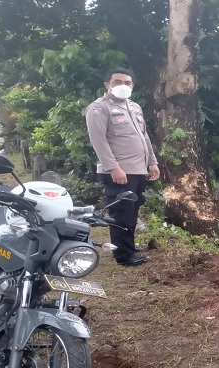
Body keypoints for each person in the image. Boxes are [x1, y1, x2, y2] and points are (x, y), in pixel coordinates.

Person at [85, 67, 160, 266]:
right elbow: (98, 140)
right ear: (107, 85)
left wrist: (152, 162)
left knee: (132, 211)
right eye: (117, 82)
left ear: (132, 86)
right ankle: (124, 256)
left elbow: (144, 137)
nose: (123, 86)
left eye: (127, 83)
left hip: (137, 169)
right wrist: (113, 167)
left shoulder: (134, 107)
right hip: (119, 171)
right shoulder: (99, 108)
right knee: (122, 214)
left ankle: (129, 246)